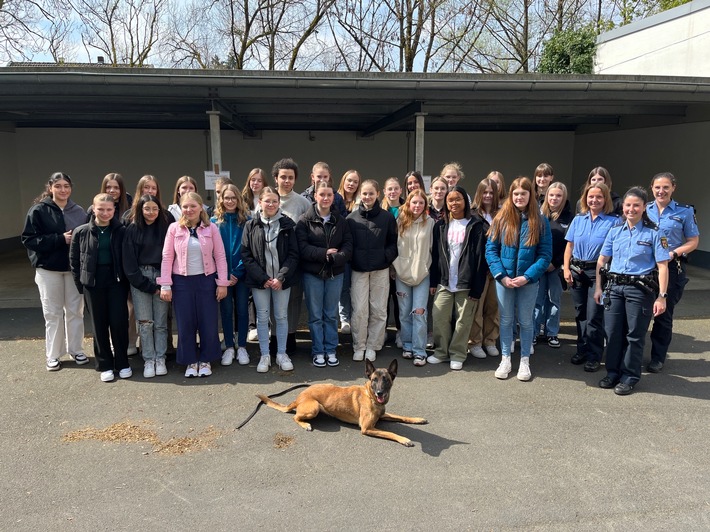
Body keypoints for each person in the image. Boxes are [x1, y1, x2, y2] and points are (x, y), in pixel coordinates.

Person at [594, 187, 669, 395]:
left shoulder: (654, 233)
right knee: (613, 332)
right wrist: (599, 287)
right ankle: (613, 372)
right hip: (615, 288)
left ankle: (629, 377)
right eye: (628, 205)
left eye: (636, 205)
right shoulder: (615, 231)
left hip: (639, 290)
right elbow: (602, 260)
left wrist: (662, 297)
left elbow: (663, 266)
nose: (631, 209)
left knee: (634, 335)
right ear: (623, 207)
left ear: (644, 207)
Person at [486, 177, 552, 381]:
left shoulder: (540, 221)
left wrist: (527, 276)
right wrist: (501, 276)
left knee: (525, 321)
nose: (519, 197)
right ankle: (506, 358)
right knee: (505, 320)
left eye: (524, 193)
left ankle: (524, 360)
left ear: (530, 195)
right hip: (504, 280)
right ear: (511, 196)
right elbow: (491, 250)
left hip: (528, 282)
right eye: (516, 193)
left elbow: (545, 254)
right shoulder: (501, 219)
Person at [22, 172, 88, 371]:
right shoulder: (39, 211)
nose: (63, 190)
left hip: (72, 269)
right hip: (48, 270)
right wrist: (60, 239)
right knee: (52, 313)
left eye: (66, 186)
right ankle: (53, 354)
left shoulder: (78, 211)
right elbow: (29, 239)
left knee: (75, 311)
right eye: (58, 186)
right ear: (50, 187)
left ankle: (76, 349)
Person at [159, 192, 229, 378]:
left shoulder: (211, 228)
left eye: (193, 206)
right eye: (185, 207)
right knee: (185, 322)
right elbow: (167, 257)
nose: (189, 210)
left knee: (208, 321)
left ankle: (206, 359)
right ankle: (190, 360)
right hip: (181, 282)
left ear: (200, 207)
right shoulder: (174, 228)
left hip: (206, 280)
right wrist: (165, 284)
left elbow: (220, 256)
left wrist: (222, 283)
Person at [70, 193, 130, 382]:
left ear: (114, 210)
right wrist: (81, 285)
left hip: (116, 282)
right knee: (99, 324)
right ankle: (104, 364)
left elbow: (127, 258)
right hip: (93, 283)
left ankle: (122, 362)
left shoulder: (121, 231)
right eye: (101, 209)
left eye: (109, 209)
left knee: (119, 323)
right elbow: (74, 261)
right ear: (93, 208)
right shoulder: (81, 232)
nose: (105, 213)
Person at [427, 186, 487, 370]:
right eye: (450, 200)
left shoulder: (477, 225)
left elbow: (481, 259)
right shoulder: (441, 225)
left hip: (467, 283)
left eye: (458, 199)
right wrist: (433, 281)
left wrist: (477, 288)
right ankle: (441, 352)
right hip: (445, 282)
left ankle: (458, 354)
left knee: (463, 321)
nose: (454, 203)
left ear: (465, 201)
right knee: (439, 316)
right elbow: (436, 256)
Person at [645, 172, 700, 373]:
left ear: (673, 188)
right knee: (639, 312)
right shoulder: (644, 209)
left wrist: (673, 253)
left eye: (666, 187)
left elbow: (693, 242)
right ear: (651, 188)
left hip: (671, 268)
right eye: (657, 187)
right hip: (645, 269)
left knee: (663, 314)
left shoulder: (684, 212)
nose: (661, 191)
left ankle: (657, 358)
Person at [241, 187, 299, 372]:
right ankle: (265, 355)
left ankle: (281, 354)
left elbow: (293, 254)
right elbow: (246, 254)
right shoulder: (251, 225)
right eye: (267, 201)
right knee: (263, 317)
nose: (271, 204)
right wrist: (263, 278)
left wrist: (281, 277)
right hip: (260, 281)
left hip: (282, 281)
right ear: (260, 202)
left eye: (275, 201)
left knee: (281, 316)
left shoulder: (288, 225)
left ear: (278, 203)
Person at [296, 181, 353, 368]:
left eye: (329, 195)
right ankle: (318, 351)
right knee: (315, 316)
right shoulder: (305, 221)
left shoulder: (341, 221)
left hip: (335, 273)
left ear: (333, 197)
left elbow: (348, 246)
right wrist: (324, 254)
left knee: (330, 315)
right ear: (315, 196)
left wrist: (335, 257)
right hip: (313, 274)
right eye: (322, 195)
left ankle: (331, 349)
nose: (326, 198)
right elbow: (302, 248)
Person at [563, 182, 619, 372]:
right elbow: (569, 246)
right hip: (577, 271)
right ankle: (582, 349)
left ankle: (595, 355)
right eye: (591, 196)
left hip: (598, 273)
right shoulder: (578, 220)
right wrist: (566, 270)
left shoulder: (613, 222)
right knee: (580, 314)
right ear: (585, 198)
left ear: (605, 200)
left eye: (599, 197)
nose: (594, 200)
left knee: (595, 315)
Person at [347, 179, 398, 362]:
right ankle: (359, 345)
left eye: (371, 193)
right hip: (359, 270)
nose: (367, 197)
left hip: (380, 270)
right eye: (364, 193)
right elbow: (348, 244)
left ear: (378, 194)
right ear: (360, 195)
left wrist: (385, 257)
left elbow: (393, 242)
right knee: (359, 309)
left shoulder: (386, 217)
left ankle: (373, 345)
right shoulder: (351, 219)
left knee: (378, 309)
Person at [122, 194, 172, 378]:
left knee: (160, 323)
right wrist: (148, 286)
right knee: (144, 323)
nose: (151, 212)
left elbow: (170, 257)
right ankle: (149, 359)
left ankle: (160, 358)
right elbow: (129, 264)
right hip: (140, 278)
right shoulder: (132, 230)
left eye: (154, 209)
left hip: (162, 276)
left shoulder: (166, 229)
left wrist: (164, 283)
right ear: (140, 209)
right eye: (147, 209)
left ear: (160, 210)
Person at [273, 158, 311, 354]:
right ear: (276, 178)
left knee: (293, 301)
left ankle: (290, 336)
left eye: (290, 177)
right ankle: (274, 337)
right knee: (273, 301)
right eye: (283, 177)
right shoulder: (268, 199)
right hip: (271, 262)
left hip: (294, 262)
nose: (286, 181)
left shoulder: (303, 203)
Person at [393, 189, 435, 366]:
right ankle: (408, 346)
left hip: (422, 274)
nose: (417, 206)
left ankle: (420, 351)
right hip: (402, 274)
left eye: (421, 203)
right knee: (404, 313)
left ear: (425, 205)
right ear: (408, 204)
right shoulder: (400, 222)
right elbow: (393, 246)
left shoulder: (431, 223)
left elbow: (434, 249)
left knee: (419, 312)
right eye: (414, 202)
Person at [211, 184, 251, 367]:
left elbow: (249, 250)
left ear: (239, 200)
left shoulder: (247, 221)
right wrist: (225, 275)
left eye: (233, 198)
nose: (230, 201)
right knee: (226, 311)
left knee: (242, 310)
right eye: (226, 198)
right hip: (222, 277)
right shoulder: (213, 222)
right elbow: (212, 252)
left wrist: (237, 272)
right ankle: (228, 346)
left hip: (241, 275)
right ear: (221, 199)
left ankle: (241, 345)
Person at [533, 182, 573, 348]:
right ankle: (534, 332)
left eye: (558, 195)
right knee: (536, 300)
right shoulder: (538, 215)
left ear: (563, 198)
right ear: (546, 197)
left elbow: (568, 245)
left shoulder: (569, 218)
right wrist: (542, 262)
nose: (554, 198)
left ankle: (552, 333)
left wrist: (555, 262)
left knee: (554, 300)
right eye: (551, 195)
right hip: (539, 265)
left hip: (556, 267)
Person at [467, 178, 501, 359]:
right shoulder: (472, 215)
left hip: (497, 270)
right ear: (479, 194)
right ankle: (475, 342)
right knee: (477, 309)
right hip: (478, 270)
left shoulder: (501, 214)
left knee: (493, 307)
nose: (488, 195)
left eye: (491, 192)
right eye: (485, 192)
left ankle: (490, 340)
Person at [336, 169, 362, 334]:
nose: (351, 184)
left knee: (355, 287)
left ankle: (353, 318)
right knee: (342, 286)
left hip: (357, 251)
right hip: (340, 251)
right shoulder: (334, 199)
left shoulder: (361, 202)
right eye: (349, 180)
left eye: (355, 181)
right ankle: (344, 318)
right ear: (343, 181)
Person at [381, 177, 405, 348]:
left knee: (398, 302)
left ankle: (400, 332)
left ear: (401, 191)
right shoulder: (380, 209)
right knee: (382, 301)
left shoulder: (407, 209)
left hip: (401, 263)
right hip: (383, 263)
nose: (393, 192)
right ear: (384, 191)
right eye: (389, 189)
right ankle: (381, 332)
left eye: (396, 188)